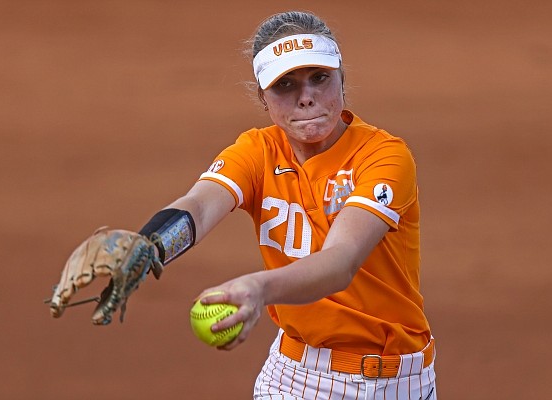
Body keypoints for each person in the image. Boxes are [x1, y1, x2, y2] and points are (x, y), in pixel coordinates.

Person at [139, 10, 437, 400]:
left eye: (319, 77)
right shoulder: (257, 151)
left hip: (394, 381)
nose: (306, 97)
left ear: (341, 78)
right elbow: (199, 205)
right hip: (291, 377)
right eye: (285, 84)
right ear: (263, 98)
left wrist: (258, 289)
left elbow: (341, 261)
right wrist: (148, 246)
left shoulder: (384, 156)